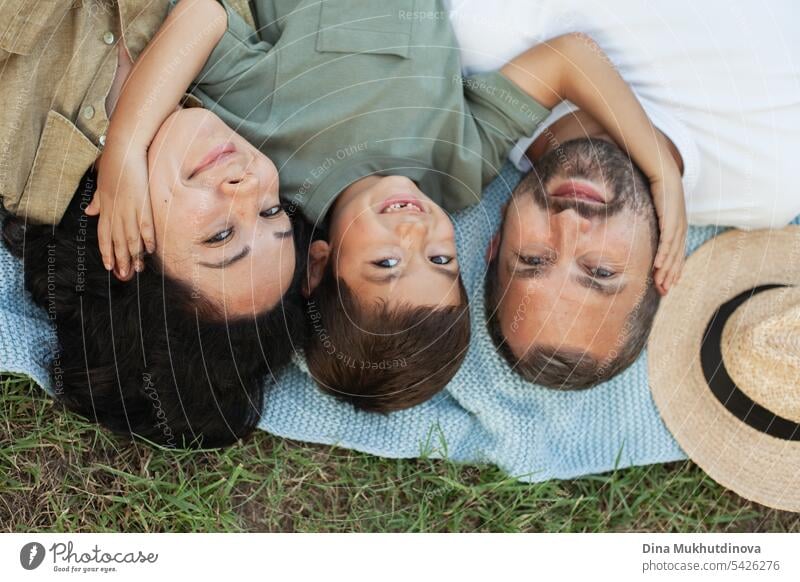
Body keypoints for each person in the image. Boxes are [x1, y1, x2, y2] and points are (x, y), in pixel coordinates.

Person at [115, 0, 683, 411]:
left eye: (385, 264)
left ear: (317, 263)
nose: (415, 236)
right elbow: (568, 61)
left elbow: (200, 18)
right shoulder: (458, 173)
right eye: (441, 262)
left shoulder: (260, 160)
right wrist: (658, 169)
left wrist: (125, 147)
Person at [0, 0, 308, 446]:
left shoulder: (18, 160)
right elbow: (209, 11)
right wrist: (127, 143)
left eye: (220, 235)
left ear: (130, 259)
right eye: (269, 211)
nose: (246, 186)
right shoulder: (248, 86)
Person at [458, 0, 800, 389]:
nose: (569, 223)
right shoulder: (768, 184)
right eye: (600, 271)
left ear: (497, 240)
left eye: (534, 258)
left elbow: (569, 56)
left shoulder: (479, 41)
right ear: (661, 272)